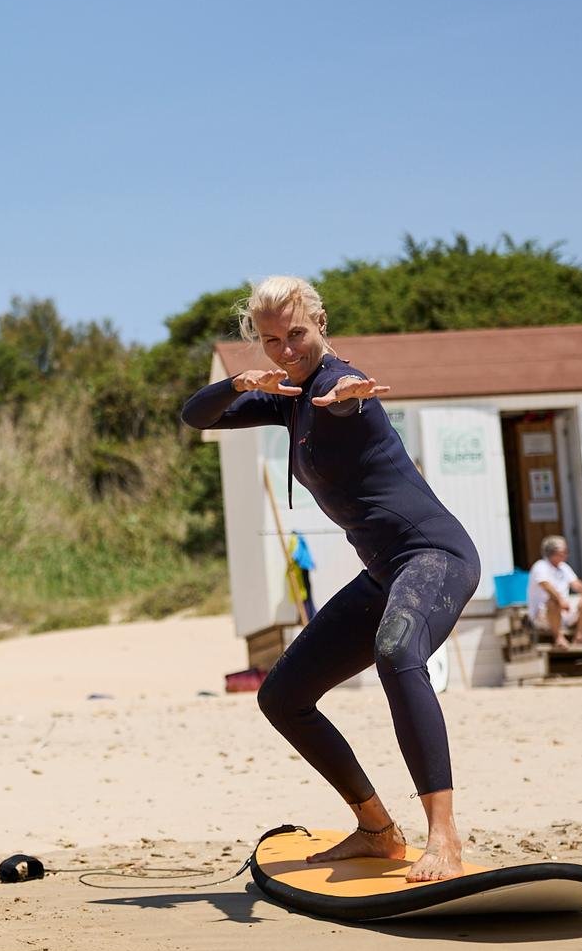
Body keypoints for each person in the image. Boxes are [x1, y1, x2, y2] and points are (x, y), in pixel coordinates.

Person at [180, 275, 480, 883]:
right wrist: (240, 383)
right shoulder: (284, 395)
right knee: (282, 695)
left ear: (319, 324)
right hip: (385, 573)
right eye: (270, 340)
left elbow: (345, 397)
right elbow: (196, 416)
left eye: (296, 334)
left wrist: (347, 392)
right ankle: (376, 829)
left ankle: (442, 839)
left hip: (435, 556)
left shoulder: (339, 383)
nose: (286, 349)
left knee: (397, 650)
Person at [527, 536, 582, 651]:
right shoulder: (540, 566)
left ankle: (579, 638)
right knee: (553, 602)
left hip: (563, 611)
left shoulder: (564, 567)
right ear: (553, 552)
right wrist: (560, 600)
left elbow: (576, 584)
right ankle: (559, 638)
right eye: (564, 551)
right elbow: (545, 585)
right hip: (542, 615)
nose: (567, 554)